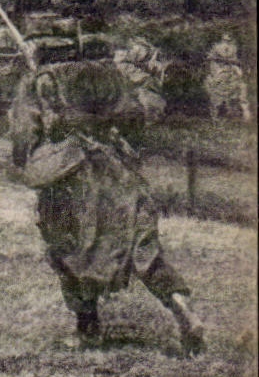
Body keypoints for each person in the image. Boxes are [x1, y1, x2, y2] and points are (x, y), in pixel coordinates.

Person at [12, 60, 205, 355]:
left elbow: (23, 135)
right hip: (115, 169)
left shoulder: (39, 80)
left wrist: (30, 158)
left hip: (69, 175)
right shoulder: (107, 74)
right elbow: (134, 119)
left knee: (68, 251)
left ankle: (87, 330)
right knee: (141, 247)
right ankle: (181, 305)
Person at [205, 33, 252, 122]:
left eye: (228, 40)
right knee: (217, 91)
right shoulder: (216, 48)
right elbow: (211, 61)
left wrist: (234, 65)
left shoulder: (233, 48)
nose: (226, 42)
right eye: (225, 39)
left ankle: (239, 113)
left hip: (231, 71)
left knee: (239, 89)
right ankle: (217, 115)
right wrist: (218, 69)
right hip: (220, 72)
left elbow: (235, 61)